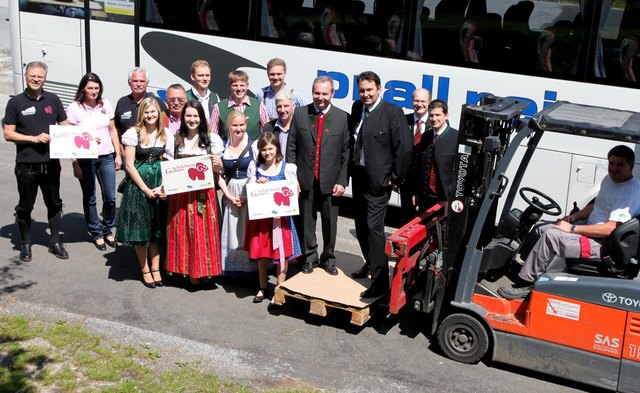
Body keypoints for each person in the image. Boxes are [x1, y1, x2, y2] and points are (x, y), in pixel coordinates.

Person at [498, 145, 640, 299]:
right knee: (541, 228)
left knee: (551, 236)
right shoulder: (610, 180)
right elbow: (597, 205)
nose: (614, 168)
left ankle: (526, 285)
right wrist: (574, 217)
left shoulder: (630, 192)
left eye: (620, 165)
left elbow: (610, 229)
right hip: (589, 228)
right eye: (611, 164)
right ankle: (526, 269)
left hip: (601, 244)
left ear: (630, 167)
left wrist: (573, 228)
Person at [349, 71, 412, 298]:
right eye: (362, 90)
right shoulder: (358, 108)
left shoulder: (393, 113)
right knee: (361, 226)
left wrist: (395, 177)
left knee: (374, 229)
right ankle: (369, 262)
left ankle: (380, 282)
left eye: (369, 90)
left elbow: (404, 148)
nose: (365, 94)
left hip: (379, 181)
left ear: (379, 89)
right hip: (359, 176)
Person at [3, 61, 70, 262]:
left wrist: (88, 138)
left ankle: (55, 241)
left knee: (54, 202)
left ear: (45, 78)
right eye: (32, 75)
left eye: (39, 76)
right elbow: (8, 133)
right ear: (25, 76)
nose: (36, 79)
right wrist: (33, 139)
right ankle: (25, 243)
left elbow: (64, 125)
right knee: (25, 205)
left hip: (50, 162)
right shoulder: (15, 102)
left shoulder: (53, 99)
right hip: (26, 164)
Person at [286, 76, 350, 275]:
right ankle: (310, 257)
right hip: (305, 178)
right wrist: (292, 177)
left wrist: (342, 180)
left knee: (330, 222)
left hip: (331, 181)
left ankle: (328, 258)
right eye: (317, 93)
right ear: (312, 92)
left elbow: (346, 152)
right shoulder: (300, 113)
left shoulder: (342, 117)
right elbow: (292, 147)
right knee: (307, 221)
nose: (320, 97)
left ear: (332, 94)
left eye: (324, 93)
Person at [117, 97, 174, 288]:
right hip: (139, 186)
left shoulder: (165, 133)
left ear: (159, 113)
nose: (150, 115)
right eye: (146, 112)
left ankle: (156, 268)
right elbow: (129, 165)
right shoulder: (133, 133)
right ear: (142, 114)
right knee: (140, 231)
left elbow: (170, 163)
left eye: (153, 111)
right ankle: (145, 269)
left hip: (158, 182)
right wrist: (145, 189)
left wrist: (164, 186)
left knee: (156, 230)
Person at [166, 101, 224, 287]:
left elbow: (219, 170)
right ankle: (190, 272)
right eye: (188, 116)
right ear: (183, 118)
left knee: (204, 233)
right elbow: (168, 167)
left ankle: (205, 270)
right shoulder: (176, 139)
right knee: (185, 233)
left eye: (195, 116)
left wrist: (217, 164)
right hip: (181, 196)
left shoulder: (211, 140)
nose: (192, 120)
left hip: (203, 195)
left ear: (202, 118)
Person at [66, 72, 122, 251]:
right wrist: (75, 163)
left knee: (111, 197)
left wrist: (118, 154)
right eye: (90, 87)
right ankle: (96, 232)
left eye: (96, 88)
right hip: (85, 158)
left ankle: (108, 229)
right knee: (90, 197)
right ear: (83, 88)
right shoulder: (75, 108)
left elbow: (112, 130)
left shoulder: (106, 104)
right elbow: (70, 137)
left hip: (106, 156)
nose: (93, 91)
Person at [246, 132, 301, 303]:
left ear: (277, 148)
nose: (267, 153)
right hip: (262, 219)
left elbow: (294, 193)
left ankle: (279, 288)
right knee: (262, 253)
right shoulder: (255, 168)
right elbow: (249, 190)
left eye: (270, 148)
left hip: (281, 220)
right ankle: (262, 286)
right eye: (264, 149)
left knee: (281, 253)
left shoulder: (288, 168)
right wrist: (256, 184)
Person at [218, 110, 258, 276]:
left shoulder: (253, 145)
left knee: (247, 228)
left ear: (246, 125)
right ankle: (232, 267)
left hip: (248, 190)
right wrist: (227, 194)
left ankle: (251, 268)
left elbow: (257, 172)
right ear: (229, 126)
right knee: (232, 228)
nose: (238, 128)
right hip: (230, 191)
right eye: (235, 125)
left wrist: (247, 196)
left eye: (242, 125)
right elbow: (218, 174)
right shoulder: (223, 144)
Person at [411, 99, 458, 214]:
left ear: (446, 115)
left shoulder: (456, 138)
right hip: (425, 196)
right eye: (431, 115)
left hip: (445, 197)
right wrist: (416, 192)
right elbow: (420, 167)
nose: (434, 119)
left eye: (438, 115)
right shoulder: (426, 136)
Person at [209, 70, 269, 141]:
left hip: (253, 151)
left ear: (247, 86)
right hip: (227, 150)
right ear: (229, 86)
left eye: (242, 85)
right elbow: (213, 136)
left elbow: (267, 133)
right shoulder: (218, 108)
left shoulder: (259, 106)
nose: (239, 89)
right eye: (235, 85)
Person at [114, 67, 168, 142]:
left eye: (142, 81)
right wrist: (120, 151)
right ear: (129, 83)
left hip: (150, 150)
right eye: (135, 81)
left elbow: (165, 128)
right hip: (126, 151)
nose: (138, 84)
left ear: (147, 83)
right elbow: (117, 129)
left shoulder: (157, 102)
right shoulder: (122, 102)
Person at [401, 88, 430, 222]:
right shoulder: (403, 120)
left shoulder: (435, 122)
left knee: (426, 218)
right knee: (407, 216)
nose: (419, 104)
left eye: (423, 101)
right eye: (416, 100)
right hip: (407, 179)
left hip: (426, 180)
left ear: (429, 103)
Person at [263, 89, 295, 161]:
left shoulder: (300, 126)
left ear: (293, 107)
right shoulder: (269, 127)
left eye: (286, 106)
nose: (282, 110)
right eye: (279, 106)